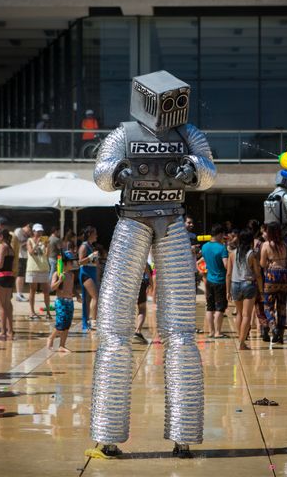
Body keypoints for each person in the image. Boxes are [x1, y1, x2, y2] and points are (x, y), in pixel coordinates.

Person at [89, 71, 216, 459]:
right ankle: (110, 432)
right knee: (114, 327)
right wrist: (118, 172)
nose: (169, 109)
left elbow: (210, 173)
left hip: (170, 219)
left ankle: (182, 433)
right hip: (133, 220)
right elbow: (100, 173)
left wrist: (191, 170)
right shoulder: (125, 134)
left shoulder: (187, 134)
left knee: (180, 330)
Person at [226, 228, 263, 350]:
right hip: (248, 284)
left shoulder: (232, 253)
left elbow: (228, 273)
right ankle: (242, 343)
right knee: (247, 315)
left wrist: (228, 290)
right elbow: (257, 274)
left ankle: (240, 338)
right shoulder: (252, 254)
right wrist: (261, 290)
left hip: (235, 284)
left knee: (240, 314)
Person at [260, 221, 287, 343]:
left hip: (272, 275)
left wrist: (268, 263)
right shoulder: (284, 244)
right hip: (285, 275)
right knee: (282, 305)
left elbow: (262, 263)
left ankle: (273, 327)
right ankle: (281, 333)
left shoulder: (266, 245)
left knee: (268, 305)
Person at [47, 251, 81, 352]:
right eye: (71, 262)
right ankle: (51, 338)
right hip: (60, 302)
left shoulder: (71, 275)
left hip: (69, 302)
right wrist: (59, 281)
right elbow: (52, 288)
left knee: (67, 325)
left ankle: (62, 345)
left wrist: (78, 295)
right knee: (60, 323)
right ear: (64, 263)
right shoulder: (57, 274)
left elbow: (72, 288)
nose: (73, 264)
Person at [201, 224, 229, 338]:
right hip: (220, 280)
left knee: (210, 307)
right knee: (220, 307)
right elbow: (226, 265)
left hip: (209, 280)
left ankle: (211, 331)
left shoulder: (205, 247)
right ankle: (218, 332)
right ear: (219, 234)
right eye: (222, 235)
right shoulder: (222, 248)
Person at [0, 227, 15, 341]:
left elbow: (0, 264)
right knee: (7, 305)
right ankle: (10, 330)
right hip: (10, 277)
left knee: (1, 306)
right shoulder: (11, 248)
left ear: (1, 236)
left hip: (1, 277)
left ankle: (2, 332)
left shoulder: (2, 247)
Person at [26, 223, 51, 320]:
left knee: (46, 291)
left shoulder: (45, 241)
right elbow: (31, 252)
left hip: (44, 267)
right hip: (33, 268)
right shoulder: (29, 240)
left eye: (41, 231)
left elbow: (47, 255)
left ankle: (48, 312)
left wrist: (47, 245)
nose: (40, 233)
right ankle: (32, 312)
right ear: (33, 231)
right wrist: (37, 243)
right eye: (38, 231)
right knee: (32, 290)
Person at [78, 226, 99, 331]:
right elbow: (80, 261)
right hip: (86, 273)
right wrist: (91, 257)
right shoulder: (84, 246)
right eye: (95, 233)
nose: (97, 235)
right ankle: (93, 321)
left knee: (88, 299)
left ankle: (86, 322)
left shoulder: (91, 246)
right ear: (90, 234)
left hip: (92, 272)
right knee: (96, 297)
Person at [134, 261, 153, 344]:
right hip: (139, 284)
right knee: (142, 309)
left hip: (128, 285)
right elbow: (146, 269)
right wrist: (151, 283)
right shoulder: (140, 256)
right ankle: (137, 331)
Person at [13, 222, 32, 302]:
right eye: (30, 231)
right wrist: (28, 242)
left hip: (24, 256)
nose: (30, 233)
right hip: (19, 256)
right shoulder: (18, 231)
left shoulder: (26, 234)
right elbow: (17, 243)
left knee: (22, 276)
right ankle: (18, 294)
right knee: (20, 275)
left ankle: (20, 293)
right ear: (27, 226)